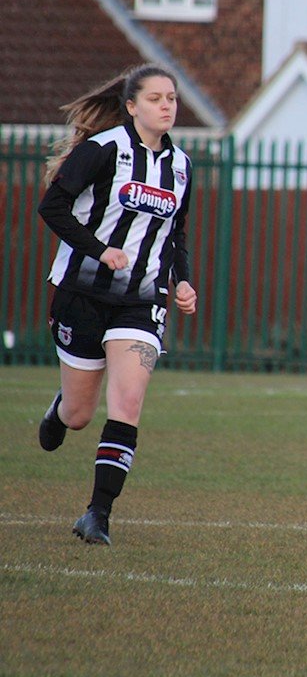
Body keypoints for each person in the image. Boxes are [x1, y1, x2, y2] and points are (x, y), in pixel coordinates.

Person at [36, 63, 197, 546]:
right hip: (82, 296)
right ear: (130, 106)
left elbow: (176, 234)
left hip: (142, 301)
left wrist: (183, 282)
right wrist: (99, 249)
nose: (166, 106)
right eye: (155, 98)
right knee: (81, 415)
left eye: (171, 98)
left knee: (127, 401)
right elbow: (52, 207)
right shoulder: (102, 151)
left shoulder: (182, 166)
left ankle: (97, 515)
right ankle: (62, 407)